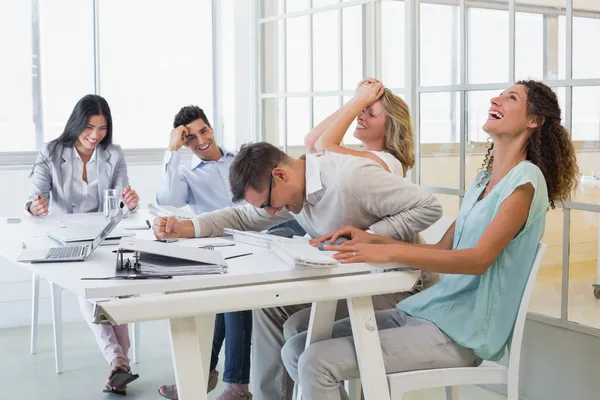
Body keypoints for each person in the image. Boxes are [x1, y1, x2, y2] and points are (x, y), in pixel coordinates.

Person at [282, 80, 580, 400]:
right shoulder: (484, 179)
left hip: (461, 333)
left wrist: (390, 252)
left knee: (315, 361)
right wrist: (372, 241)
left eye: (511, 97)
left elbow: (477, 260)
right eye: (500, 94)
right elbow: (442, 250)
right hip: (428, 312)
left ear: (534, 121)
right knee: (298, 346)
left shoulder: (526, 181)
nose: (496, 99)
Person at [152, 141, 443, 400]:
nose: (269, 213)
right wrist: (186, 227)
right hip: (352, 282)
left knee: (298, 328)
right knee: (269, 307)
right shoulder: (293, 190)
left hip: (400, 286)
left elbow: (429, 206)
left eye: (267, 204)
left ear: (280, 174)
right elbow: (244, 216)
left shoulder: (351, 178)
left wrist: (370, 235)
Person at [26, 94, 140, 395]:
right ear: (77, 123)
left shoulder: (113, 154)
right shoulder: (51, 152)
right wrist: (34, 206)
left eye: (102, 128)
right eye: (89, 127)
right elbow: (34, 196)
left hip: (106, 235)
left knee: (123, 282)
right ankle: (119, 359)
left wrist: (129, 204)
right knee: (88, 286)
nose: (94, 135)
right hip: (66, 239)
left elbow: (120, 206)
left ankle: (119, 364)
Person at [157, 106, 266, 399]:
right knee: (223, 296)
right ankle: (220, 381)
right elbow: (168, 199)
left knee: (230, 295)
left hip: (258, 240)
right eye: (190, 138)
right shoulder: (186, 175)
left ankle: (225, 383)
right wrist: (171, 149)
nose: (201, 140)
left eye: (203, 131)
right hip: (219, 249)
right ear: (184, 143)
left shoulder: (242, 160)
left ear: (212, 129)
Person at [305, 78, 413, 177]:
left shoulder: (388, 162)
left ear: (390, 127)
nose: (360, 116)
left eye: (371, 114)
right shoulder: (364, 157)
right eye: (362, 110)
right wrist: (356, 99)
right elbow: (312, 143)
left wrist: (358, 101)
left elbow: (323, 146)